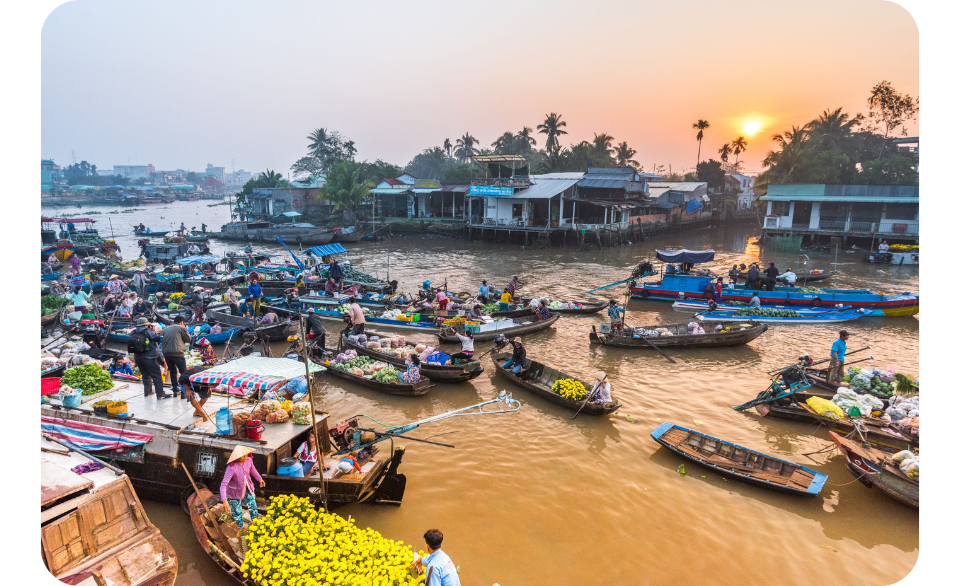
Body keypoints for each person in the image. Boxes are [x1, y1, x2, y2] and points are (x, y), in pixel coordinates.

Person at [220, 445, 264, 530]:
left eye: (246, 455)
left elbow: (253, 470)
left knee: (252, 505)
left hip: (248, 487)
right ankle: (241, 530)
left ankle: (255, 523)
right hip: (234, 492)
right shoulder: (231, 468)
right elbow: (223, 485)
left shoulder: (249, 460)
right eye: (243, 456)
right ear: (237, 457)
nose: (245, 457)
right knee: (237, 512)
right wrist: (224, 501)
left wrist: (260, 479)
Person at [130, 317, 169, 399]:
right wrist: (153, 330)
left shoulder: (133, 332)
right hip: (149, 357)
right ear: (146, 325)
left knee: (145, 375)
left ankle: (148, 392)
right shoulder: (147, 331)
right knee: (156, 374)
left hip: (138, 357)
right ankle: (160, 393)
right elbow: (157, 338)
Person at [162, 315, 192, 399]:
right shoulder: (181, 328)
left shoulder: (166, 329)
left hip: (166, 353)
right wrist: (186, 329)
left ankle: (175, 391)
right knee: (183, 373)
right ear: (182, 322)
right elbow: (188, 339)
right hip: (177, 353)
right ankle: (184, 392)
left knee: (173, 372)